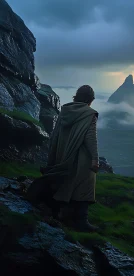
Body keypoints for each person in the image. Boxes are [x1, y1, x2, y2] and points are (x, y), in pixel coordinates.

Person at [27, 85, 99, 232]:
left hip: (63, 152)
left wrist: (54, 155)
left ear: (76, 96)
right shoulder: (89, 114)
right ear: (90, 99)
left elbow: (55, 134)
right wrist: (95, 158)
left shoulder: (65, 110)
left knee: (65, 180)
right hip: (81, 155)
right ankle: (80, 220)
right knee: (86, 182)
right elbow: (90, 137)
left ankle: (59, 211)